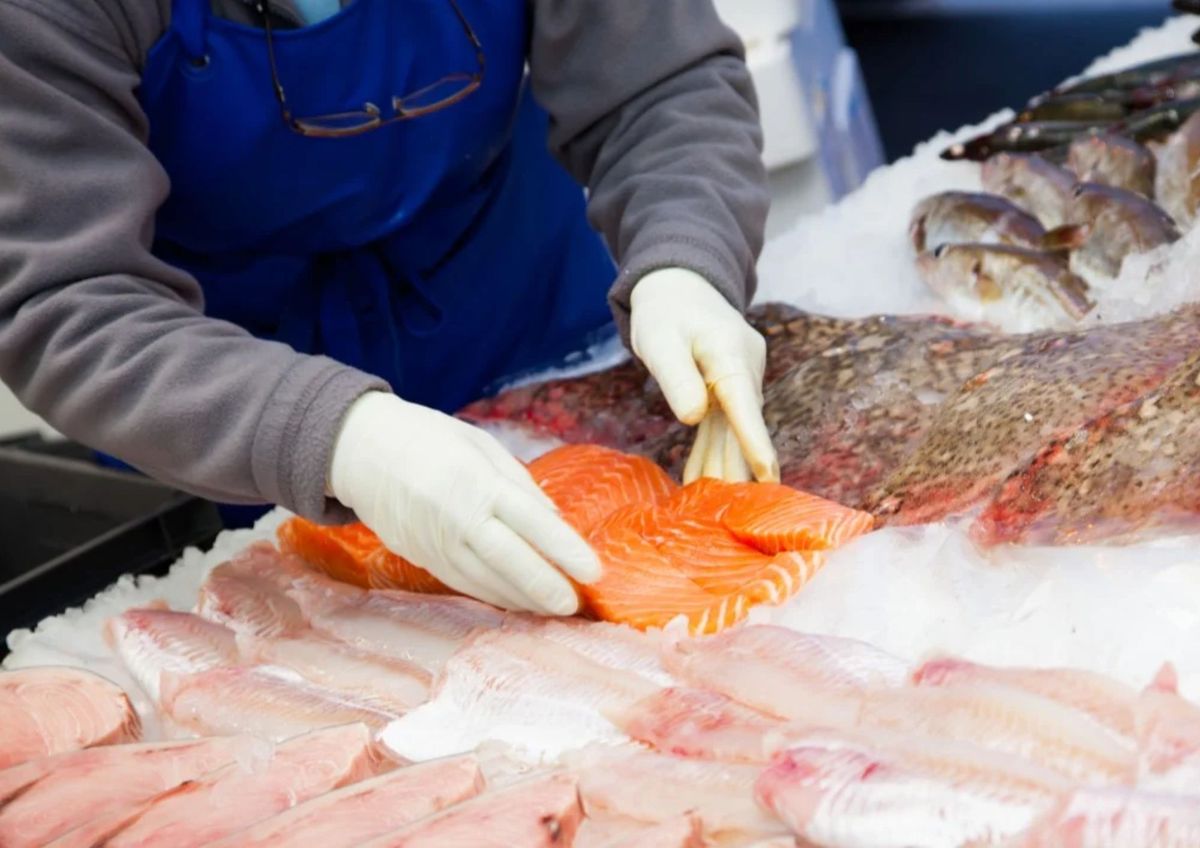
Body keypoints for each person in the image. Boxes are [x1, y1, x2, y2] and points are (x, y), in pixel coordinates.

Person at [0, 0, 777, 617]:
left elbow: (661, 85)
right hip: (236, 428)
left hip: (537, 338)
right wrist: (339, 441)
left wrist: (685, 257)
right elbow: (67, 296)